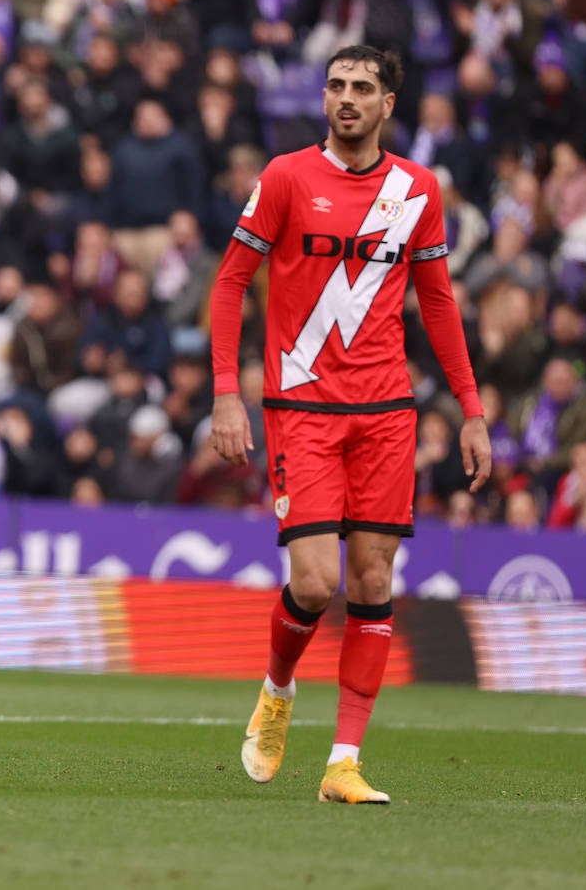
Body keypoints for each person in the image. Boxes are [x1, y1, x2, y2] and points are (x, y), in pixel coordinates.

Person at [209, 46, 492, 804]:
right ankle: (277, 688)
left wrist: (471, 410)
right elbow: (232, 281)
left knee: (371, 581)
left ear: (388, 104)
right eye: (336, 85)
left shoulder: (417, 190)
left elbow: (438, 302)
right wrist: (225, 394)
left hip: (386, 411)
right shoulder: (287, 176)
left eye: (362, 88)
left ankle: (342, 762)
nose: (346, 98)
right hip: (300, 405)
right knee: (316, 580)